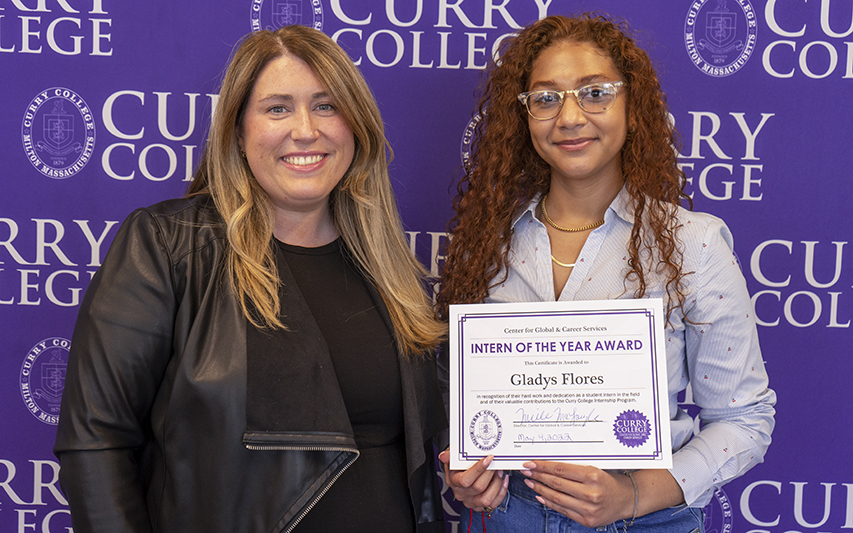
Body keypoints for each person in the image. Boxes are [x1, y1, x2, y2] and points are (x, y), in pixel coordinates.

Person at [54, 25, 447, 533]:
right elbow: (95, 442)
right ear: (238, 132)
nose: (306, 130)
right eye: (278, 108)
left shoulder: (388, 266)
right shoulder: (168, 245)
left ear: (357, 127)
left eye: (327, 106)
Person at [436, 14, 776, 533]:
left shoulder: (693, 244)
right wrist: (465, 470)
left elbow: (745, 420)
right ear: (524, 116)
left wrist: (631, 495)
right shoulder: (486, 245)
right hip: (509, 516)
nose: (569, 117)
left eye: (595, 93)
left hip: (646, 520)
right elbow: (455, 399)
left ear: (631, 106)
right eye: (546, 98)